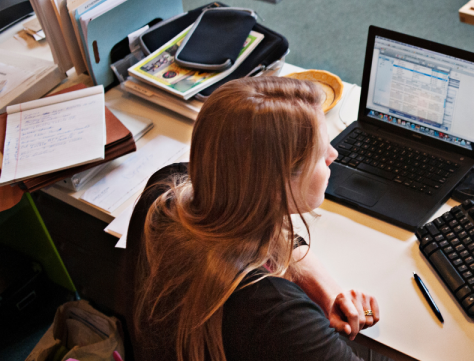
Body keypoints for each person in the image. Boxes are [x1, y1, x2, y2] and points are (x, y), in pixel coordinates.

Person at [121, 77, 377, 361]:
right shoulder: (277, 314)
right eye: (319, 153)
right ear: (276, 185)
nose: (333, 154)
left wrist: (325, 286)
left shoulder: (164, 193)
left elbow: (278, 235)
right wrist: (364, 314)